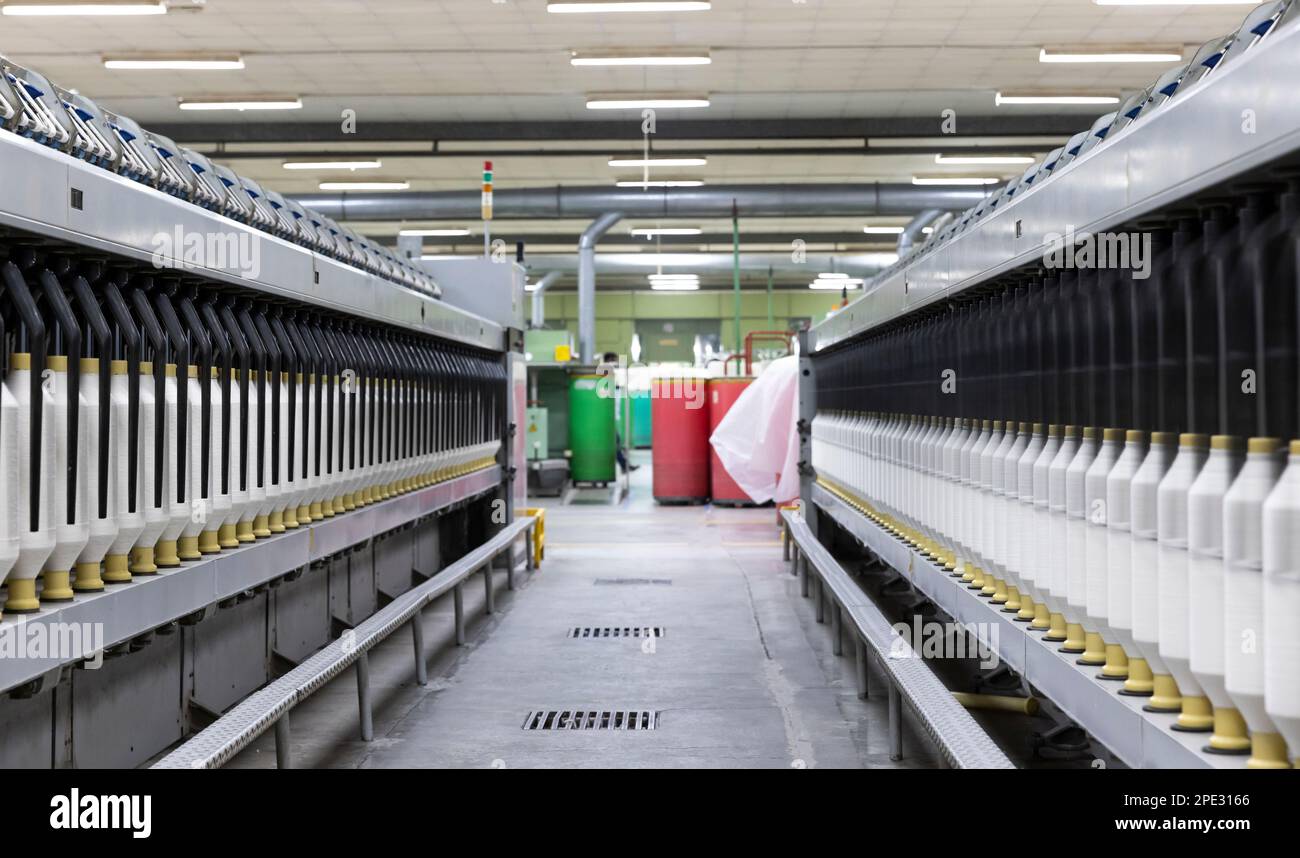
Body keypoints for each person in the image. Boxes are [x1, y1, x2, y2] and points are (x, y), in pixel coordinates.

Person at [601, 352, 640, 473]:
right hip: (606, 417)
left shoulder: (614, 377)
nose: (616, 364)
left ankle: (624, 465)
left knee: (616, 441)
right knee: (615, 441)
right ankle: (624, 466)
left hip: (611, 416)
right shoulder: (604, 378)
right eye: (614, 361)